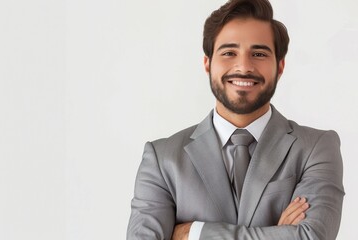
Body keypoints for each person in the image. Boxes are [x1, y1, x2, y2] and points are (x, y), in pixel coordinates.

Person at [127, 0, 344, 239]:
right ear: (207, 63)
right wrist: (280, 233)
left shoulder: (317, 148)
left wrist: (196, 233)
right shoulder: (161, 159)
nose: (243, 66)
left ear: (279, 67)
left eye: (259, 53)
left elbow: (311, 237)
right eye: (229, 52)